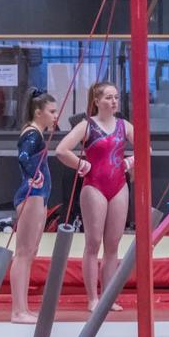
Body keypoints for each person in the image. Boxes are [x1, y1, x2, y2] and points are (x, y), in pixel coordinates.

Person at [56, 82, 134, 312]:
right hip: (94, 186)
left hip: (119, 186)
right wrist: (81, 165)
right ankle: (92, 298)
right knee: (93, 243)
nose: (114, 101)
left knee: (113, 244)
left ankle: (108, 297)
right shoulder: (87, 125)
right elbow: (61, 150)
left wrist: (130, 162)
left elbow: (146, 149)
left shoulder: (124, 125)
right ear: (96, 101)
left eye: (116, 97)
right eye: (108, 97)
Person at [10, 88, 57, 323]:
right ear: (38, 113)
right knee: (23, 253)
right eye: (52, 111)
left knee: (30, 253)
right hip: (32, 195)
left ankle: (23, 308)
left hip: (38, 195)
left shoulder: (36, 132)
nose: (55, 116)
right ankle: (17, 311)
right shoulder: (32, 133)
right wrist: (35, 175)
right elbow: (23, 157)